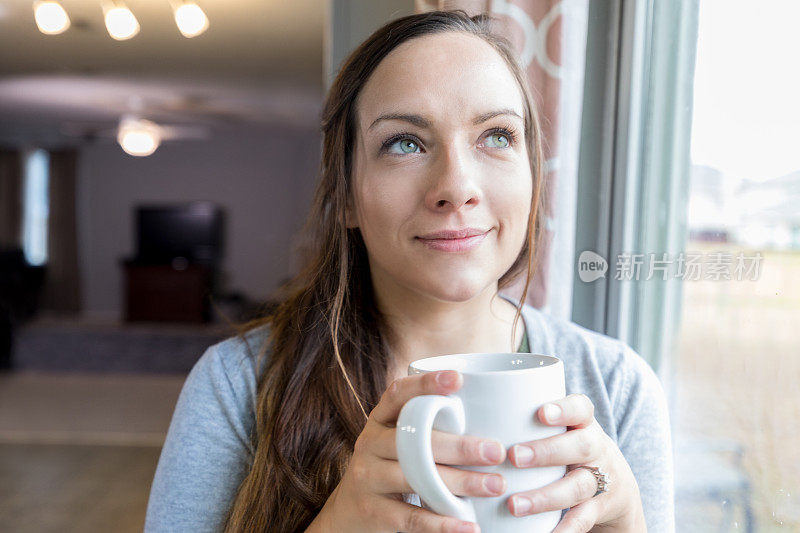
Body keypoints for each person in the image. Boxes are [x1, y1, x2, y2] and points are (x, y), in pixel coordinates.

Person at [144, 10, 674, 533]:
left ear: (534, 179)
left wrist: (627, 518)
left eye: (496, 136)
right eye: (405, 143)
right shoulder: (237, 386)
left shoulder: (616, 387)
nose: (457, 186)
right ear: (346, 196)